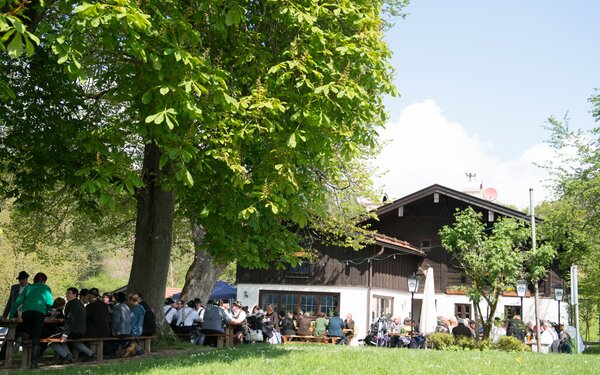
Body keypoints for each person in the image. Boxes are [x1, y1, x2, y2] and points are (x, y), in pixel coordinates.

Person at [8, 272, 53, 369]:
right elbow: (50, 303)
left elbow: (18, 301)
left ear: (34, 280)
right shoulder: (46, 288)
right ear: (44, 281)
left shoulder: (29, 287)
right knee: (36, 336)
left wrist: (11, 315)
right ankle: (33, 364)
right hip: (39, 313)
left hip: (26, 312)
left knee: (26, 330)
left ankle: (20, 338)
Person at [51, 287, 96, 364]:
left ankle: (66, 356)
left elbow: (71, 320)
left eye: (69, 293)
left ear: (75, 294)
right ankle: (90, 354)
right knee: (72, 341)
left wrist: (65, 334)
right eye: (66, 293)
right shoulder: (78, 303)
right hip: (81, 331)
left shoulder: (72, 304)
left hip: (74, 331)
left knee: (51, 340)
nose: (67, 295)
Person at [109, 292, 132, 357]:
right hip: (128, 330)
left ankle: (126, 347)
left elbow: (116, 320)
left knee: (109, 338)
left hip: (120, 331)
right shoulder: (126, 307)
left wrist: (112, 329)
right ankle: (127, 347)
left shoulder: (117, 307)